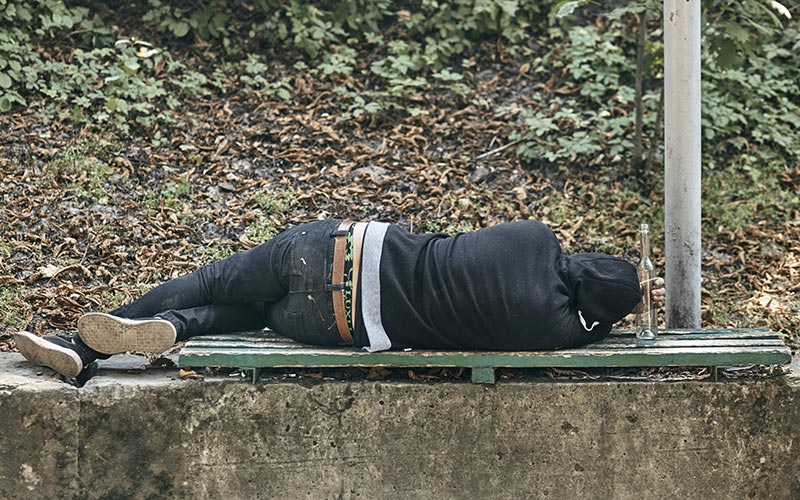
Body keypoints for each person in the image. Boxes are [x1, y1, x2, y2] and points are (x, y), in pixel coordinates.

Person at [14, 218, 665, 380]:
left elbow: (570, 266)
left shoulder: (535, 239)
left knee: (217, 281)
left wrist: (624, 275)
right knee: (261, 318)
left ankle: (84, 347)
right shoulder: (556, 331)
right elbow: (589, 326)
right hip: (339, 324)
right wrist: (627, 307)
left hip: (340, 251)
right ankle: (176, 328)